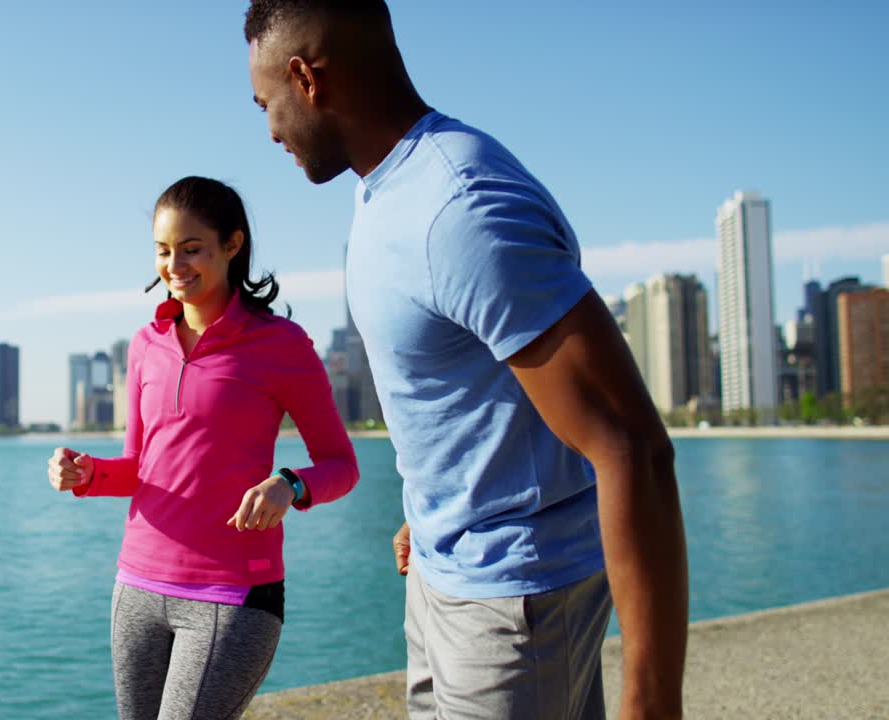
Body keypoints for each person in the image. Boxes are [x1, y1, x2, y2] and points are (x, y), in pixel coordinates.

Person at [243, 2, 688, 719]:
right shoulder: (385, 189)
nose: (269, 130)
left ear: (306, 77)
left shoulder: (461, 206)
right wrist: (430, 508)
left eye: (267, 104)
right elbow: (464, 387)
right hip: (442, 573)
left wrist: (652, 699)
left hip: (513, 599)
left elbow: (633, 446)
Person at [47, 176, 359, 720]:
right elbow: (140, 467)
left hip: (231, 593)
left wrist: (291, 483)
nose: (175, 266)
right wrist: (86, 473)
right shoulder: (146, 345)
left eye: (192, 250)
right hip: (136, 587)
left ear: (232, 245)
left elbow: (342, 464)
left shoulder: (281, 345)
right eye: (164, 251)